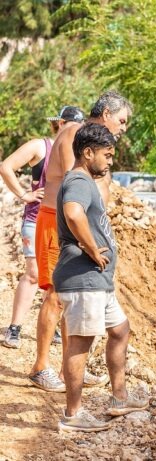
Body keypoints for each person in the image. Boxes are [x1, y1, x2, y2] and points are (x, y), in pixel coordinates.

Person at [29, 91, 131, 392]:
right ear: (107, 114)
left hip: (77, 223)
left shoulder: (93, 141)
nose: (123, 128)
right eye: (121, 120)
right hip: (57, 221)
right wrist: (86, 240)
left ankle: (67, 368)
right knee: (56, 294)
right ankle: (41, 366)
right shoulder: (75, 133)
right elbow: (75, 189)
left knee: (69, 298)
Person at [54, 123, 148, 431]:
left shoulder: (84, 180)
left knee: (120, 330)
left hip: (96, 282)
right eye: (106, 156)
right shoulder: (79, 181)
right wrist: (93, 249)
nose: (110, 162)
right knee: (80, 344)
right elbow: (73, 212)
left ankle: (119, 398)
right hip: (83, 279)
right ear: (87, 152)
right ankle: (73, 414)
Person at [0, 106, 84, 348]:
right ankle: (14, 328)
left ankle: (52, 326)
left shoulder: (75, 151)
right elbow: (6, 166)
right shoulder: (41, 146)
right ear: (60, 123)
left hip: (60, 223)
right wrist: (24, 194)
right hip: (36, 219)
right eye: (70, 125)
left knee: (56, 279)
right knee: (34, 273)